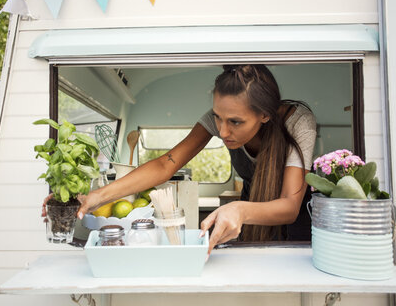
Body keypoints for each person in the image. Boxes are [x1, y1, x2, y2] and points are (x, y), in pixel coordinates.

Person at [42, 64, 317, 255]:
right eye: (217, 117)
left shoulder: (298, 122)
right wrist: (97, 196)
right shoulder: (220, 120)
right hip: (250, 201)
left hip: (290, 220)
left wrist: (240, 211)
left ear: (265, 115)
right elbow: (166, 164)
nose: (222, 132)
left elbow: (290, 207)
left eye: (234, 121)